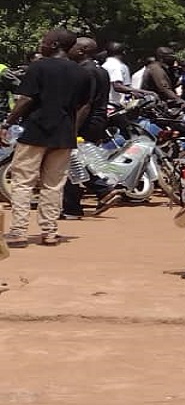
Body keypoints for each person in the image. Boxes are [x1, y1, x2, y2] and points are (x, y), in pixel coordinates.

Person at [2, 29, 90, 248]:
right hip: (63, 135)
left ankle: (18, 231)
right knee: (53, 185)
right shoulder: (81, 72)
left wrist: (7, 123)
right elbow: (82, 105)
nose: (41, 44)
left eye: (44, 41)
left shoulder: (39, 67)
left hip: (36, 131)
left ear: (54, 44)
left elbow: (25, 100)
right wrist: (72, 128)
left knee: (23, 182)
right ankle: (49, 232)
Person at [62, 37, 120, 220]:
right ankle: (76, 205)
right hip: (97, 121)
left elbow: (85, 104)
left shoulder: (84, 71)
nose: (68, 51)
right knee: (77, 161)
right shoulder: (99, 70)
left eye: (72, 48)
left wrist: (73, 129)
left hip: (85, 122)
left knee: (71, 161)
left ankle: (99, 192)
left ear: (82, 50)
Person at [102, 42, 139, 106]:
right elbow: (117, 86)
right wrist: (143, 92)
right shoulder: (115, 66)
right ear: (124, 52)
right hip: (113, 106)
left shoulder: (105, 65)